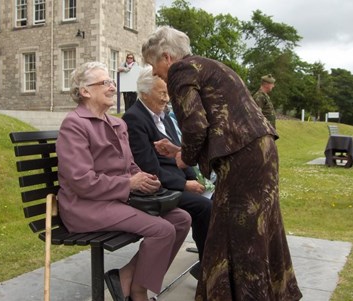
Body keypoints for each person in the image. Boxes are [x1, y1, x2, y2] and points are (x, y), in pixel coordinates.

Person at [142, 26, 302, 301]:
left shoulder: (180, 71)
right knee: (261, 227)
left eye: (152, 64)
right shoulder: (208, 66)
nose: (154, 72)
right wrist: (181, 149)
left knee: (239, 234)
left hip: (242, 161)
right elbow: (219, 125)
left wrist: (184, 157)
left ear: (167, 57)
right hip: (259, 152)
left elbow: (195, 125)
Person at [56, 61, 191, 301]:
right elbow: (80, 181)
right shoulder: (74, 124)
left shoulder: (117, 123)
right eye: (104, 82)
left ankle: (127, 275)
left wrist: (145, 179)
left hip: (117, 200)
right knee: (162, 230)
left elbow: (129, 165)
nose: (112, 87)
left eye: (111, 82)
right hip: (85, 207)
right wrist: (129, 184)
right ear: (85, 91)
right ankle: (138, 291)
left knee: (181, 219)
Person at [122, 66, 213, 280]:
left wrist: (191, 177)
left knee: (217, 199)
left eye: (168, 93)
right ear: (144, 93)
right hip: (157, 191)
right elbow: (148, 168)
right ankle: (208, 269)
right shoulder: (134, 119)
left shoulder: (162, 118)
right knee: (204, 207)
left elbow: (181, 154)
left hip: (174, 185)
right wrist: (185, 186)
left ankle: (211, 261)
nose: (166, 98)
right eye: (162, 93)